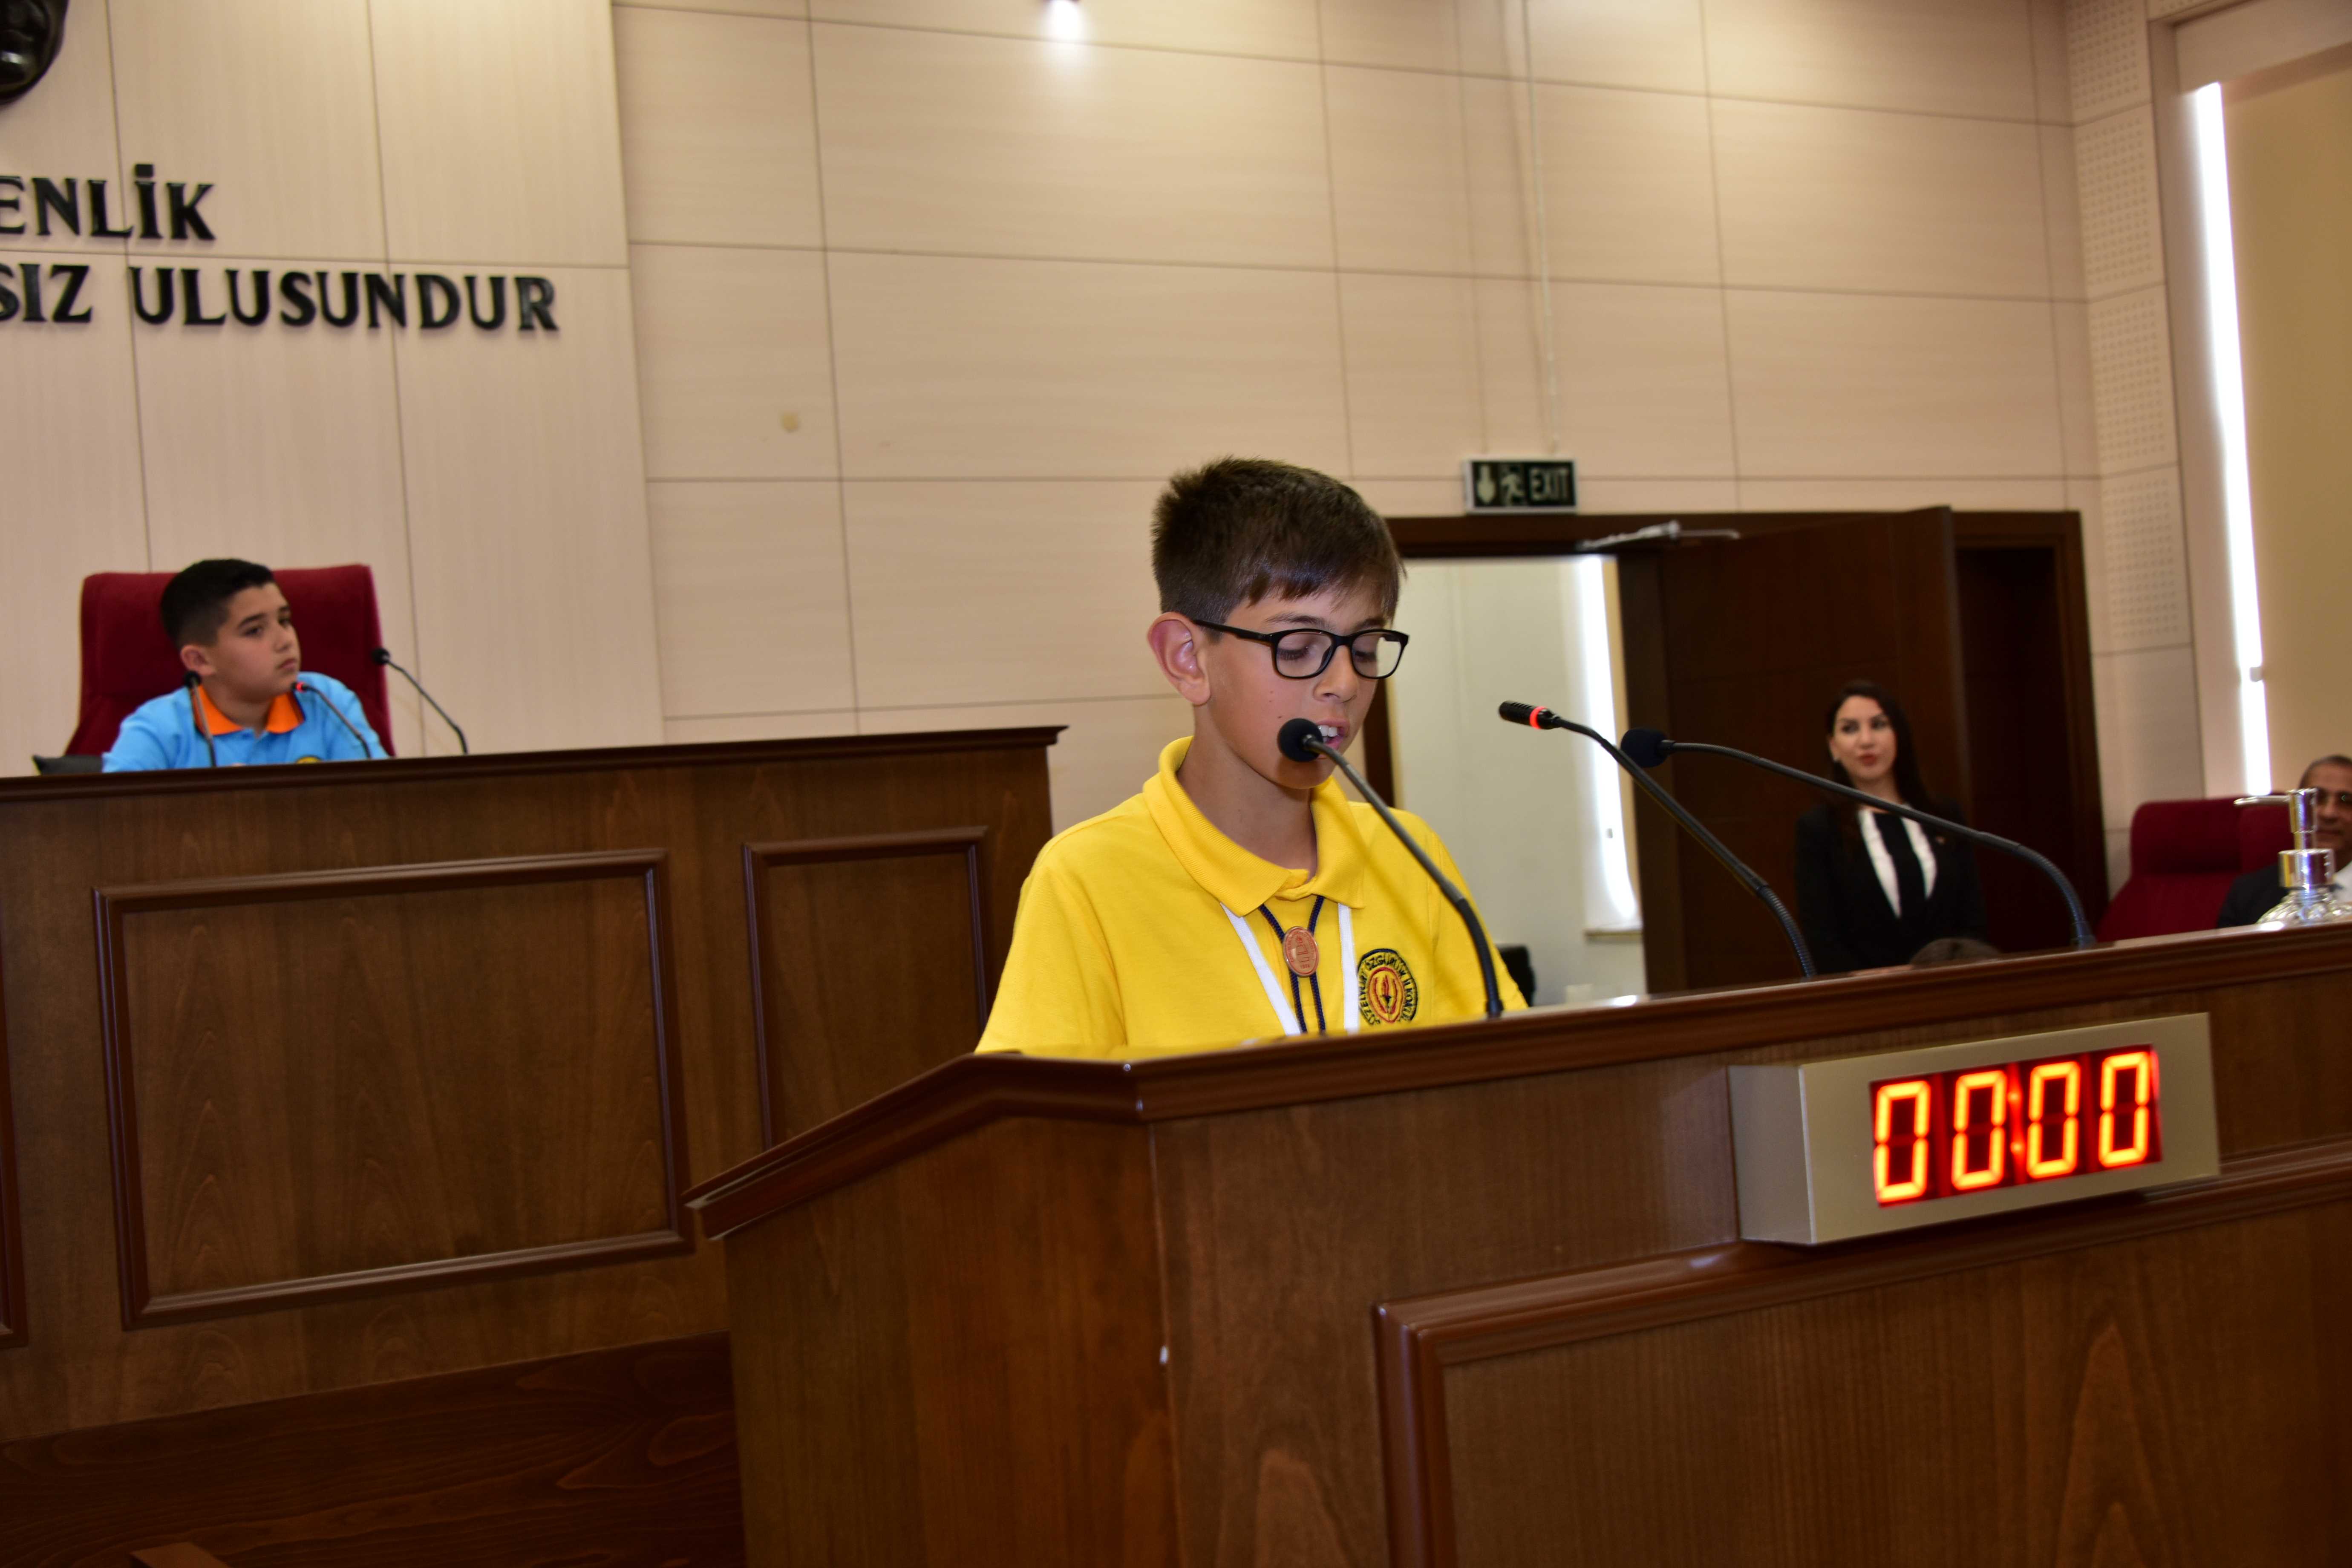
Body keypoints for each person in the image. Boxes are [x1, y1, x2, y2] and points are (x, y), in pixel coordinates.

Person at [977, 458, 1525, 1058]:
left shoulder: (1409, 853)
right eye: (1298, 647)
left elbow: (1506, 1076)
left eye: (1366, 648)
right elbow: (1039, 1113)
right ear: (1188, 658)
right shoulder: (1087, 878)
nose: (1345, 683)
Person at [102, 559, 387, 771]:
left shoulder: (327, 701)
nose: (285, 640)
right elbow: (115, 821)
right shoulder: (159, 730)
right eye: (255, 631)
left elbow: (378, 801)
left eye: (284, 621)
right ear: (200, 660)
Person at [1792, 680, 1988, 974]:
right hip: (1867, 995)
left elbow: (1973, 921)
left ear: (1899, 735)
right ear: (1834, 747)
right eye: (1850, 729)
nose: (1866, 741)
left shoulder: (1944, 815)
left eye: (1879, 725)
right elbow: (1822, 940)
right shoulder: (1818, 830)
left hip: (1952, 986)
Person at [2217, 755, 2352, 926]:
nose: (2329, 813)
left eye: (2347, 801)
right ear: (2295, 808)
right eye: (2315, 798)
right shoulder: (2248, 893)